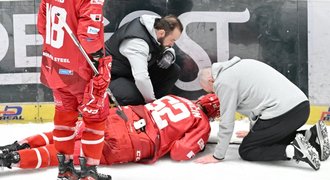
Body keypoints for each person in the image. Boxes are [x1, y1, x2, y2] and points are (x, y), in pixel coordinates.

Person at [0, 94, 219, 170]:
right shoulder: (202, 123)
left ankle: (19, 144)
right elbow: (180, 152)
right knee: (67, 154)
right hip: (131, 141)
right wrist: (198, 146)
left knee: (67, 134)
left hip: (120, 116)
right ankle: (16, 159)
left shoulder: (177, 97)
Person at [196, 56, 330, 171]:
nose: (214, 94)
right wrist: (256, 132)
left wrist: (217, 155)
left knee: (247, 150)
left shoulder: (223, 82)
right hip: (302, 108)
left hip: (283, 114)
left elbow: (227, 122)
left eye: (211, 91)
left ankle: (295, 151)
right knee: (268, 140)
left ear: (211, 81)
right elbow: (257, 103)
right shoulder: (242, 64)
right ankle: (311, 136)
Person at [37, 0, 111, 179]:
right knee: (95, 118)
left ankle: (65, 169)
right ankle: (89, 173)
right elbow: (89, 36)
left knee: (64, 116)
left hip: (54, 65)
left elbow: (42, 26)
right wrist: (98, 56)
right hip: (79, 70)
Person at [105, 14, 183, 105]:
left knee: (173, 70)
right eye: (172, 40)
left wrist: (169, 53)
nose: (172, 44)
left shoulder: (156, 26)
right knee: (134, 96)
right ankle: (149, 108)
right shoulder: (137, 43)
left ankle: (159, 106)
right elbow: (141, 78)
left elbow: (159, 43)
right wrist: (152, 102)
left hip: (131, 71)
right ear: (161, 33)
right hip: (114, 76)